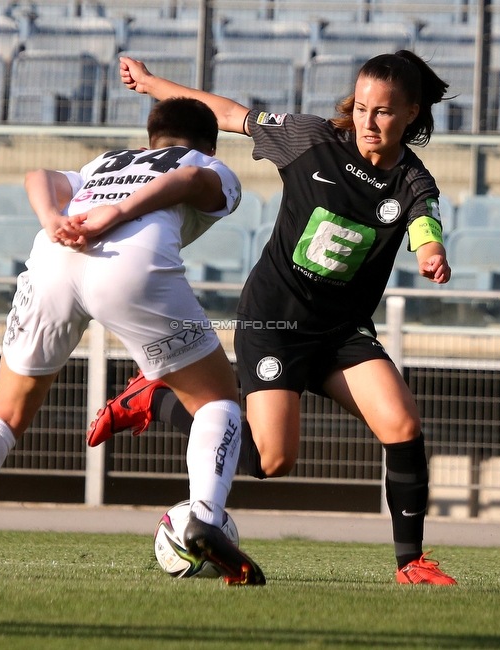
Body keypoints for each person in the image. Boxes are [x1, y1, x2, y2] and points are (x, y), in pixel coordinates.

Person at [88, 51, 456, 585]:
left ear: (411, 115)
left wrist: (431, 253)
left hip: (343, 332)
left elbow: (425, 222)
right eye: (360, 107)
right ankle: (154, 398)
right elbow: (229, 113)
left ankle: (410, 563)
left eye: (383, 112)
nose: (367, 121)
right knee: (269, 460)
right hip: (275, 322)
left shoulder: (412, 181)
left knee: (402, 424)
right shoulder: (309, 139)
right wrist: (150, 86)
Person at [0, 97, 265, 586]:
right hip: (128, 263)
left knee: (5, 411)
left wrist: (53, 217)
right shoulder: (211, 164)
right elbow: (188, 180)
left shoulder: (107, 162)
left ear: (148, 139)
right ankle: (203, 514)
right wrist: (115, 213)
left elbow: (40, 175)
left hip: (54, 255)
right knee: (217, 402)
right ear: (210, 143)